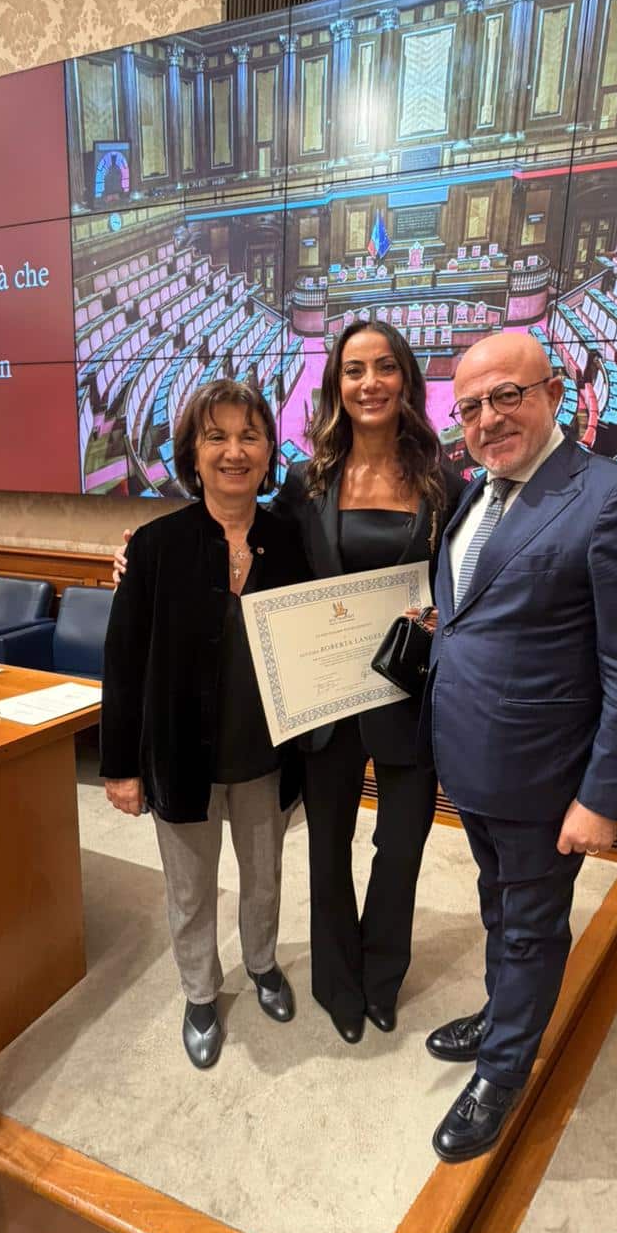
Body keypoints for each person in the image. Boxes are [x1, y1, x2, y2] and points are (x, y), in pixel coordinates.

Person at [115, 322, 463, 1043]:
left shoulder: (444, 483)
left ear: (406, 378)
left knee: (399, 853)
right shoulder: (311, 485)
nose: (370, 383)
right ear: (335, 383)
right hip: (326, 704)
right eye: (354, 369)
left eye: (386, 367)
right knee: (324, 854)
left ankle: (381, 976)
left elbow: (465, 582)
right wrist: (134, 554)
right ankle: (335, 984)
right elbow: (225, 532)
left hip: (407, 695)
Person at [421, 329, 617, 1163]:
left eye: (508, 396)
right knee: (500, 906)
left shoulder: (614, 498)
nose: (488, 419)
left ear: (554, 393)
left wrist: (603, 797)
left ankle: (505, 1069)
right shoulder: (474, 492)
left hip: (546, 775)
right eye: (470, 407)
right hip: (474, 759)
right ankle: (505, 1013)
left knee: (531, 923)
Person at [101, 378, 309, 1069]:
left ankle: (262, 964)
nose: (233, 451)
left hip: (266, 753)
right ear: (192, 452)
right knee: (190, 890)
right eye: (216, 436)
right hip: (181, 757)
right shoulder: (155, 546)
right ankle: (198, 992)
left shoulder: (290, 539)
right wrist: (120, 766)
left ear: (269, 450)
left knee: (265, 877)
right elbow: (124, 662)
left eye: (249, 435)